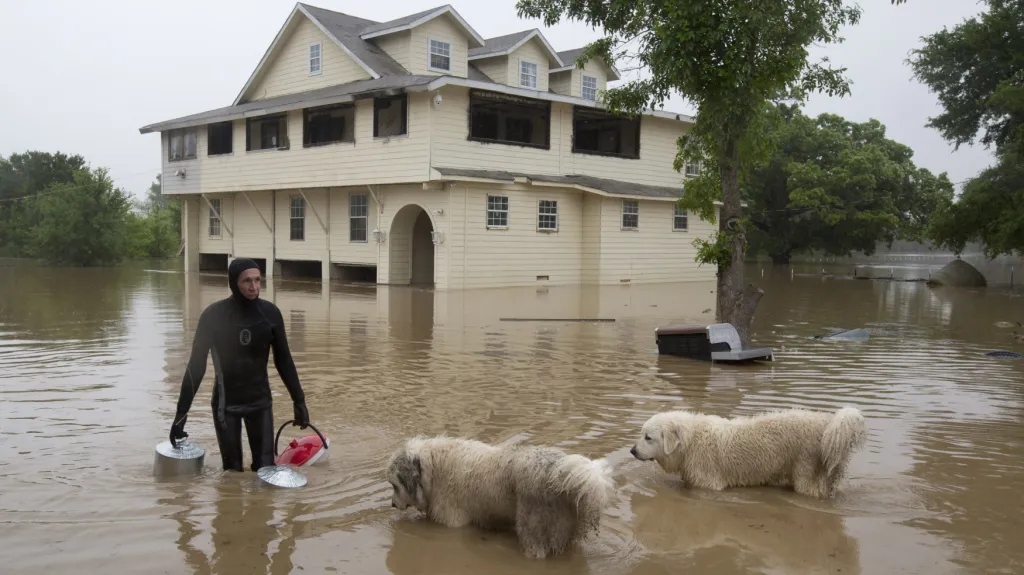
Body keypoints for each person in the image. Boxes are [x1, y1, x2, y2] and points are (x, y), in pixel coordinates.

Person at [169, 258, 311, 472]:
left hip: (260, 403)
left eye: (257, 280)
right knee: (232, 473)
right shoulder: (213, 316)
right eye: (247, 281)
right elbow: (195, 368)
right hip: (226, 406)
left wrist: (299, 401)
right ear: (233, 283)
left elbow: (284, 361)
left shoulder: (270, 314)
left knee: (265, 469)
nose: (254, 287)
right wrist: (181, 415)